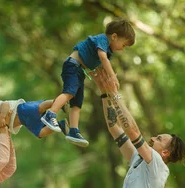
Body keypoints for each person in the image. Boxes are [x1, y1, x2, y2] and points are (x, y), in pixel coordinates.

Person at [40, 19, 136, 148]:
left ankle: (73, 130)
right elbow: (102, 58)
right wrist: (113, 76)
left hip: (80, 71)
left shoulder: (108, 50)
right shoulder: (103, 40)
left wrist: (105, 80)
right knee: (69, 93)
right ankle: (50, 113)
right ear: (114, 36)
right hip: (73, 66)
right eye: (124, 45)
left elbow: (101, 65)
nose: (123, 49)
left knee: (77, 103)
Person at [0, 97, 71, 156]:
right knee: (40, 133)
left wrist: (2, 116)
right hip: (25, 121)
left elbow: (5, 105)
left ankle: (59, 103)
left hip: (21, 110)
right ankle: (61, 125)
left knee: (39, 108)